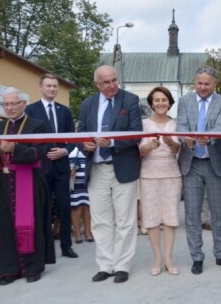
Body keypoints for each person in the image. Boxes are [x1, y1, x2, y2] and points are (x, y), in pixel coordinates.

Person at [0, 87, 56, 285]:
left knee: (32, 223)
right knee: (4, 225)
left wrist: (15, 148)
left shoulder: (37, 125)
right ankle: (9, 269)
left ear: (23, 104)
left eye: (13, 103)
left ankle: (32, 267)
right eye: (5, 104)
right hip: (4, 182)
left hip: (30, 179)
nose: (9, 108)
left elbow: (40, 153)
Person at [78, 65, 142, 283]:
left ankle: (122, 265)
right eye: (106, 82)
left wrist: (112, 142)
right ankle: (105, 265)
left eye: (114, 80)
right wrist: (84, 144)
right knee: (101, 221)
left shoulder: (130, 100)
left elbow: (136, 134)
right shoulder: (87, 104)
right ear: (97, 84)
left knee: (125, 220)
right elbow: (81, 133)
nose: (112, 85)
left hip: (123, 167)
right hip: (96, 168)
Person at [176, 66, 221, 275]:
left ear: (214, 84)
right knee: (192, 215)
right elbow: (181, 126)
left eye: (206, 84)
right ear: (195, 82)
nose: (202, 87)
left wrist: (207, 137)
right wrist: (187, 140)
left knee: (219, 214)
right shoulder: (184, 101)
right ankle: (197, 257)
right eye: (199, 83)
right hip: (191, 163)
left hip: (214, 163)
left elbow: (220, 127)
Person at [25, 73, 78, 259]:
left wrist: (65, 151)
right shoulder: (30, 110)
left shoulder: (64, 111)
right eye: (49, 86)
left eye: (55, 86)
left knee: (64, 207)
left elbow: (73, 138)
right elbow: (28, 139)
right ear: (40, 87)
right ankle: (43, 247)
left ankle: (66, 246)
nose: (52, 89)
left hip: (62, 166)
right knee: (42, 208)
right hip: (41, 166)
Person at [138, 87, 182, 276]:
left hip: (171, 173)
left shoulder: (176, 124)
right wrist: (147, 147)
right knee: (152, 218)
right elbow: (140, 150)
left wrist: (171, 143)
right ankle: (157, 258)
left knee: (170, 218)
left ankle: (168, 258)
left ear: (170, 102)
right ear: (151, 103)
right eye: (156, 100)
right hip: (149, 174)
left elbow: (177, 148)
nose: (161, 103)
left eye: (164, 100)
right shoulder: (143, 124)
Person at [68, 147, 93, 243]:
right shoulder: (69, 138)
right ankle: (77, 234)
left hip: (88, 175)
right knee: (76, 205)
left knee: (88, 205)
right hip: (73, 176)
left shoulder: (88, 136)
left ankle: (88, 232)